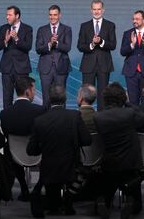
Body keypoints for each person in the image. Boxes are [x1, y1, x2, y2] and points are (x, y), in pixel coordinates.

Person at [27, 85, 92, 216]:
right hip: (72, 169)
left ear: (49, 99)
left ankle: (53, 204)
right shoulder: (75, 116)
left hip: (48, 170)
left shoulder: (39, 120)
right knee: (84, 172)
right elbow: (87, 140)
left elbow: (31, 150)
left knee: (52, 193)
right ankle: (67, 199)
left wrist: (44, 146)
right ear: (65, 99)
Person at [93, 82, 144, 219]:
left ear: (105, 99)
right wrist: (128, 102)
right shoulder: (130, 113)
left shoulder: (98, 117)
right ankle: (131, 202)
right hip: (130, 164)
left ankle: (104, 202)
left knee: (107, 186)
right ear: (123, 98)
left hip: (109, 164)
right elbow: (142, 118)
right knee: (136, 200)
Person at [0, 77, 45, 201]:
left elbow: (5, 134)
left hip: (15, 155)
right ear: (28, 91)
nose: (35, 93)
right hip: (38, 153)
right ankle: (37, 188)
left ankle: (24, 188)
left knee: (8, 147)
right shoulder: (40, 111)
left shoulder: (5, 113)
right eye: (34, 89)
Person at [77, 0, 116, 110]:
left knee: (103, 96)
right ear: (91, 10)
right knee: (86, 95)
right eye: (94, 9)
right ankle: (84, 119)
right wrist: (92, 44)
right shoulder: (84, 26)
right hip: (88, 65)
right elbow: (80, 46)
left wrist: (101, 42)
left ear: (103, 10)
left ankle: (102, 120)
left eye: (99, 9)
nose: (97, 11)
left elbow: (113, 45)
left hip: (104, 65)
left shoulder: (110, 25)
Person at [0, 6, 33, 109]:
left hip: (22, 68)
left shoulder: (27, 29)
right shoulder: (3, 28)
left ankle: (23, 122)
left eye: (10, 15)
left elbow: (27, 47)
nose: (7, 17)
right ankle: (7, 122)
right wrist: (5, 41)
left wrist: (16, 38)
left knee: (24, 97)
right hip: (7, 68)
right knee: (7, 97)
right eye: (7, 15)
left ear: (17, 16)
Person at [36, 5, 72, 109]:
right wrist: (49, 44)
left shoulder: (67, 29)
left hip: (61, 68)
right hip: (45, 68)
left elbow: (67, 47)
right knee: (46, 98)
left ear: (59, 15)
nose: (53, 17)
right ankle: (46, 122)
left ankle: (62, 123)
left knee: (61, 98)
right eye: (50, 15)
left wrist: (56, 43)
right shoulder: (42, 30)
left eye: (55, 15)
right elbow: (38, 49)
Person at [120, 10, 144, 105]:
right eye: (133, 19)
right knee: (133, 102)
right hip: (131, 72)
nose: (134, 21)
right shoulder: (127, 33)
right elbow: (122, 52)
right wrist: (132, 44)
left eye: (137, 19)